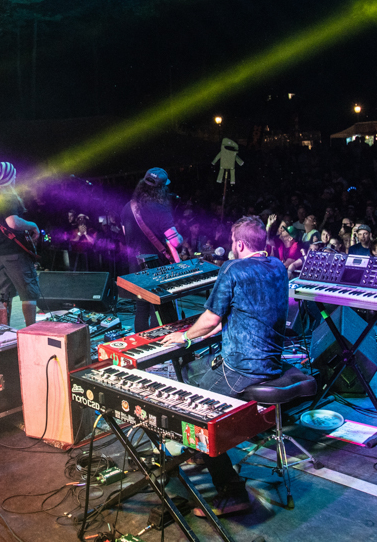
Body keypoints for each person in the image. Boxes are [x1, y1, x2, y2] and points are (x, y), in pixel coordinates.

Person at [159, 216, 289, 517]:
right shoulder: (278, 266)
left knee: (190, 398)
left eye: (233, 243)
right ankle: (197, 453)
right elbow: (251, 307)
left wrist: (183, 336)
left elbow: (209, 319)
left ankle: (232, 491)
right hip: (271, 361)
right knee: (195, 371)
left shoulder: (233, 268)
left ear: (239, 244)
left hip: (243, 367)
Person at [121, 168, 183, 332]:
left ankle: (141, 348)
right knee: (159, 308)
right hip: (157, 266)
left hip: (136, 265)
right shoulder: (160, 210)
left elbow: (126, 235)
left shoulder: (128, 207)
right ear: (162, 189)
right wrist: (181, 238)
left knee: (141, 308)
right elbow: (175, 241)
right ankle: (157, 349)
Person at [0, 162, 42, 327]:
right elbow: (13, 222)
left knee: (5, 296)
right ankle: (30, 331)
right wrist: (33, 225)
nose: (16, 177)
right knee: (28, 294)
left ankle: (4, 331)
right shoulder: (7, 197)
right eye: (14, 175)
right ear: (8, 178)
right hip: (14, 255)